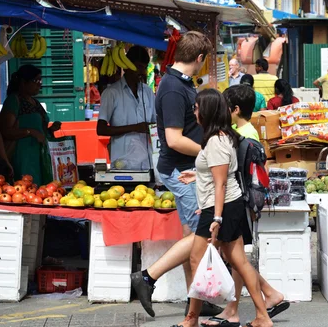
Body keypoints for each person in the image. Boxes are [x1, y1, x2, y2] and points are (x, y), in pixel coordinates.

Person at [131, 31, 223, 318]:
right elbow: (173, 139)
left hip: (188, 167)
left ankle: (195, 297)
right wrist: (208, 152)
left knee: (191, 234)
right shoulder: (172, 88)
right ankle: (147, 276)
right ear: (198, 59)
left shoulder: (181, 83)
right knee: (200, 236)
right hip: (180, 170)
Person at [173, 89, 274, 327]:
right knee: (238, 260)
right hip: (226, 205)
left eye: (196, 108)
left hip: (222, 208)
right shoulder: (219, 137)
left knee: (198, 259)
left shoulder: (217, 140)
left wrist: (216, 217)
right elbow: (217, 175)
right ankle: (262, 316)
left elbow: (221, 182)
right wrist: (197, 174)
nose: (194, 112)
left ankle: (191, 319)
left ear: (206, 111)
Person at [0, 65, 62, 185]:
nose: (39, 84)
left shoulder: (34, 102)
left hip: (39, 158)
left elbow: (40, 131)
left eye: (40, 80)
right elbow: (5, 131)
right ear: (23, 82)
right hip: (23, 157)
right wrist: (30, 132)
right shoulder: (14, 100)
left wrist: (50, 130)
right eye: (36, 80)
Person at [97, 46, 156, 170]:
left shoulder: (148, 92)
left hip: (147, 163)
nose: (142, 72)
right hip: (122, 164)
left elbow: (154, 124)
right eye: (139, 67)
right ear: (126, 66)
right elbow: (101, 129)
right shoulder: (112, 93)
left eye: (144, 68)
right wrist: (135, 127)